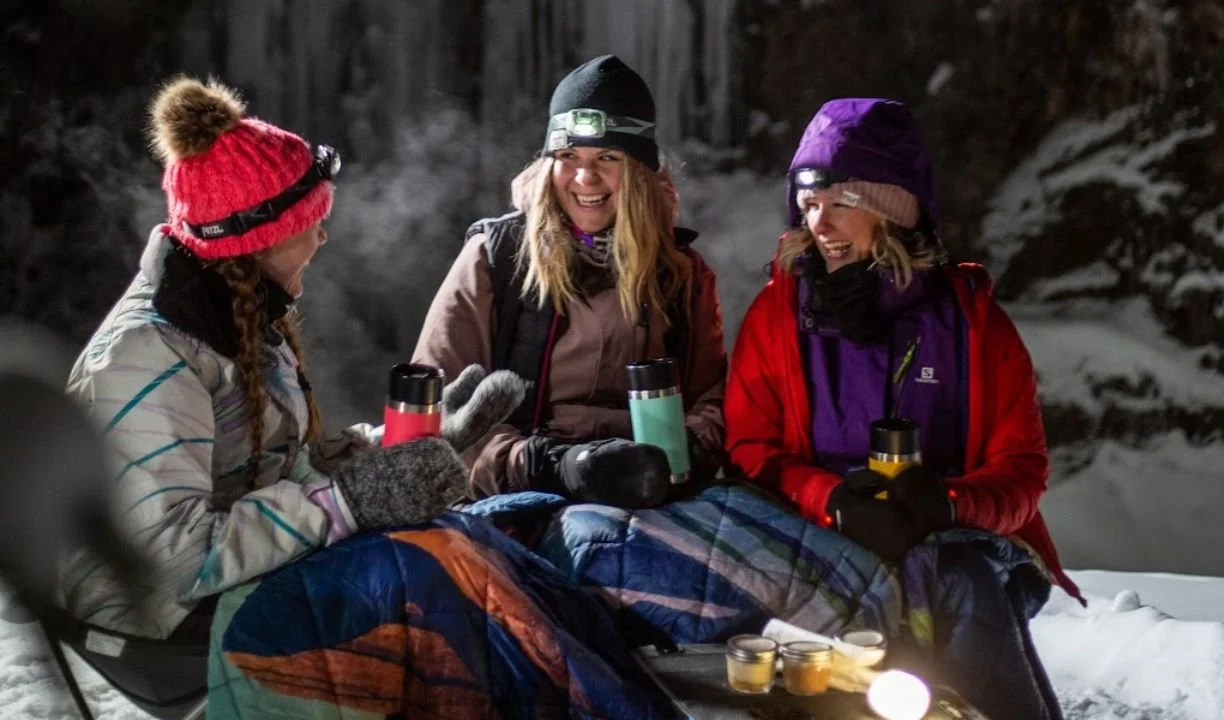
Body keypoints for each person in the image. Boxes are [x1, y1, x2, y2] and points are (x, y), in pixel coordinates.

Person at [60, 76, 523, 641]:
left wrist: (385, 453)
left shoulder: (237, 314)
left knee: (471, 546)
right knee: (432, 589)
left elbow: (264, 477)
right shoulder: (147, 355)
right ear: (257, 240)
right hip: (148, 622)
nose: (323, 239)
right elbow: (171, 559)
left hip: (207, 591)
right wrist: (350, 502)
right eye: (312, 224)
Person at [724, 98, 1078, 720]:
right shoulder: (777, 317)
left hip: (945, 535)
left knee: (964, 586)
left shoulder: (973, 326)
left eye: (842, 204)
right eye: (809, 205)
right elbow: (750, 448)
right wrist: (830, 499)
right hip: (817, 529)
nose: (820, 224)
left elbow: (1022, 469)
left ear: (894, 210)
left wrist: (946, 503)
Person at [414, 55, 727, 509]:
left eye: (607, 157)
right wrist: (550, 466)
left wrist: (675, 464)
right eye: (568, 156)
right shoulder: (495, 257)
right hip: (514, 484)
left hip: (648, 490)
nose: (585, 177)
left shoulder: (680, 273)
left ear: (639, 170)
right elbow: (438, 405)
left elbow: (711, 401)